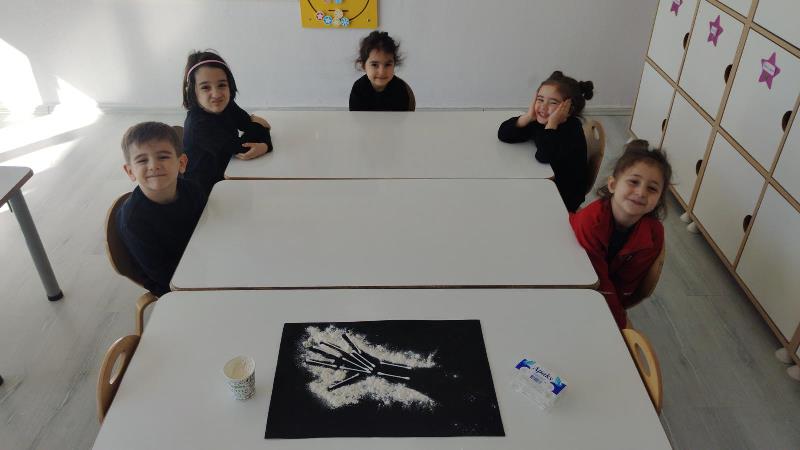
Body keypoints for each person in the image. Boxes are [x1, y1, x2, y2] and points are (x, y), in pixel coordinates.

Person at [570, 140, 672, 328]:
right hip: (568, 276)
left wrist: (616, 317)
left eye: (652, 188)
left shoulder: (654, 233)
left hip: (594, 295)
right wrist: (618, 322)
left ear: (659, 199)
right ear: (612, 185)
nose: (641, 192)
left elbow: (626, 286)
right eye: (633, 182)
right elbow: (595, 279)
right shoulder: (591, 221)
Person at [117, 122, 207, 296]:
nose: (153, 166)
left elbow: (210, 226)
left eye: (163, 157)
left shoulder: (192, 190)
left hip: (201, 256)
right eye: (142, 160)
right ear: (130, 172)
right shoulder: (134, 222)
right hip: (175, 285)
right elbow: (165, 276)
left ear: (181, 163)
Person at [497, 71, 594, 212]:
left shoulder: (572, 129)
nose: (543, 107)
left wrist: (552, 124)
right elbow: (503, 135)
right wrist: (527, 117)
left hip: (563, 196)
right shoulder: (539, 121)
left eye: (553, 102)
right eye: (540, 99)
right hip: (548, 182)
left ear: (568, 109)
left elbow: (543, 156)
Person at [182, 50, 273, 194]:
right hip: (205, 191)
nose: (216, 94)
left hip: (230, 173)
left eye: (222, 85)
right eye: (205, 87)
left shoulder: (228, 105)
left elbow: (250, 126)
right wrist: (264, 142)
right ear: (192, 91)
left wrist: (263, 142)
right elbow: (244, 148)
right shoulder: (198, 125)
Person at [349, 31, 414, 111]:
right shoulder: (358, 88)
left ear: (394, 64)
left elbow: (402, 117)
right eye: (374, 65)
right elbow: (356, 117)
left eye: (388, 64)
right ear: (363, 66)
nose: (382, 72)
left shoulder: (400, 88)